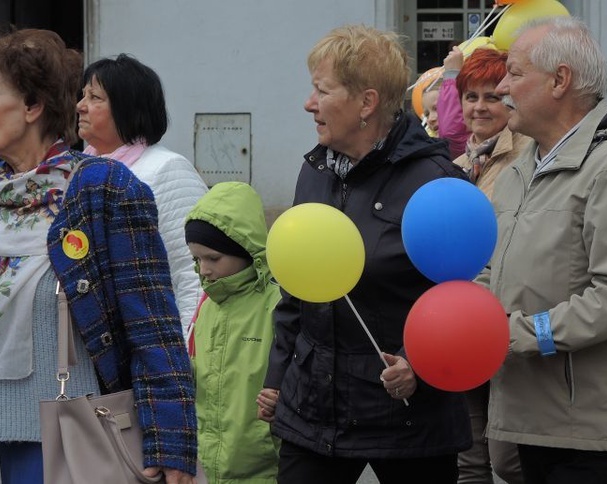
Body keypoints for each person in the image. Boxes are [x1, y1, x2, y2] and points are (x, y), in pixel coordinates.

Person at [0, 28, 196, 484]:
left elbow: (153, 329)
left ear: (32, 106)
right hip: (15, 440)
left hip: (87, 438)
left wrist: (174, 444)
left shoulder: (103, 189)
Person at [257, 24, 472, 484]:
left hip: (406, 415)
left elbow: (460, 300)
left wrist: (418, 365)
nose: (308, 103)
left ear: (367, 103)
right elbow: (298, 288)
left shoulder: (434, 182)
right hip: (313, 406)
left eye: (321, 90)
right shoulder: (315, 169)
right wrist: (277, 377)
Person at [481, 17, 607, 484]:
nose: (502, 86)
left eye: (516, 73)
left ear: (560, 80)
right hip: (534, 416)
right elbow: (495, 269)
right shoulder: (522, 168)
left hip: (589, 429)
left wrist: (521, 335)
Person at [77, 54, 208, 343]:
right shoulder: (77, 171)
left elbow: (194, 273)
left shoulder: (166, 169)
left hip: (149, 344)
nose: (80, 106)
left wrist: (183, 354)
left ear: (128, 109)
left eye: (95, 97)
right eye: (83, 95)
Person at [450, 48, 528, 484]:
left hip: (502, 316)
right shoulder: (456, 166)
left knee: (509, 459)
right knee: (468, 457)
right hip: (458, 320)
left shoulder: (525, 160)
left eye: (491, 97)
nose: (479, 107)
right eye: (470, 96)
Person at [185, 181, 281, 483]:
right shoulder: (207, 305)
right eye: (197, 259)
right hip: (203, 466)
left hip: (262, 468)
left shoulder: (277, 305)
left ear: (247, 250)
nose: (204, 270)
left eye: (213, 258)